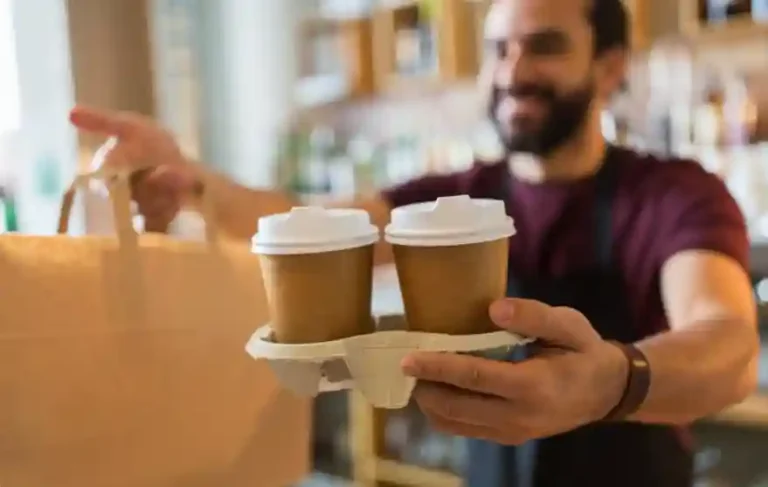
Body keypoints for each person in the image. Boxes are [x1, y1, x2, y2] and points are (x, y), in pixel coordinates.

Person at [69, 0, 759, 485]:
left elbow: (726, 341)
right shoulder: (450, 200)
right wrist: (192, 183)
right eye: (498, 49)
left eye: (544, 45)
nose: (512, 70)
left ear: (610, 67)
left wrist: (609, 380)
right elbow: (307, 225)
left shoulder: (674, 193)